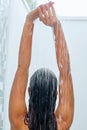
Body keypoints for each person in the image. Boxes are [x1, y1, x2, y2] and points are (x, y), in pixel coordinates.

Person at [9, 1, 74, 130]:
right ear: (56, 94)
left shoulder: (18, 123)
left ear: (29, 91)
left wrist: (29, 21)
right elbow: (65, 73)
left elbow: (22, 67)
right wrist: (56, 27)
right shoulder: (63, 124)